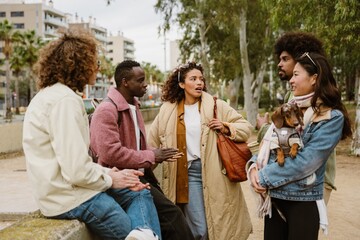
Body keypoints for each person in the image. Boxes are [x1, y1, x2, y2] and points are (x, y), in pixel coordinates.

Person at [22, 29, 161, 240]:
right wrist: (110, 177)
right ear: (80, 64)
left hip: (61, 192)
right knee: (134, 199)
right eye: (95, 63)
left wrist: (109, 173)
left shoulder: (48, 96)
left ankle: (143, 233)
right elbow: (76, 171)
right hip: (71, 198)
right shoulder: (65, 101)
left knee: (138, 191)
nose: (97, 68)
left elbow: (68, 161)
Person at [249, 52, 352, 240]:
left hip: (303, 200)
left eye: (296, 74)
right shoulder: (290, 107)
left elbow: (307, 162)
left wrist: (264, 176)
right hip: (275, 199)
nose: (291, 80)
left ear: (314, 78)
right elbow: (270, 144)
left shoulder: (331, 117)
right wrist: (254, 167)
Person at [146, 61, 253, 240]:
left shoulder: (216, 105)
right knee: (200, 229)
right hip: (185, 173)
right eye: (193, 79)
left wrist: (226, 127)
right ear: (181, 84)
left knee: (219, 223)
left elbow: (246, 128)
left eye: (201, 79)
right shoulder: (167, 110)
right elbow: (152, 142)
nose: (199, 83)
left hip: (216, 172)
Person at [90, 60, 195, 240]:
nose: (145, 84)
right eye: (140, 80)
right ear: (125, 82)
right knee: (173, 218)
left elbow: (135, 146)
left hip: (140, 176)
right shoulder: (106, 110)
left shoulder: (134, 105)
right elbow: (110, 153)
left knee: (169, 222)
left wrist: (156, 154)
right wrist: (151, 155)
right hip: (123, 179)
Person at [256, 31, 335, 204]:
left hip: (313, 180)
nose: (279, 64)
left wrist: (264, 128)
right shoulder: (291, 97)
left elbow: (299, 140)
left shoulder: (321, 101)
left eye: (285, 59)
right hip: (291, 176)